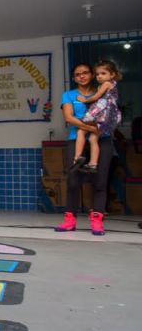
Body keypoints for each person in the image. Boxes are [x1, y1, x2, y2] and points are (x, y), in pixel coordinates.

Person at [56, 63, 115, 236]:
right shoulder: (69, 95)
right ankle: (69, 220)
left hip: (102, 140)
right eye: (77, 74)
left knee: (100, 181)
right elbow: (69, 118)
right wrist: (91, 129)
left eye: (85, 73)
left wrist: (100, 129)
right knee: (73, 182)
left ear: (92, 74)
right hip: (77, 140)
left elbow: (111, 110)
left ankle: (97, 221)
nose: (81, 76)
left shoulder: (103, 90)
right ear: (74, 78)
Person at [70, 60, 122, 175]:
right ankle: (93, 164)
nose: (99, 76)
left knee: (81, 131)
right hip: (109, 117)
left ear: (112, 75)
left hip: (104, 115)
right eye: (98, 74)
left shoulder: (107, 84)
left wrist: (85, 100)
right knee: (93, 139)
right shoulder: (110, 85)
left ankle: (77, 158)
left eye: (103, 73)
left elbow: (96, 97)